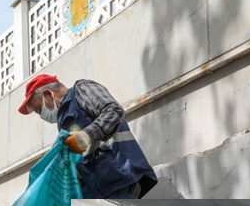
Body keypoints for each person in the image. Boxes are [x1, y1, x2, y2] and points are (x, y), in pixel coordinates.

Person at [18, 74, 157, 199]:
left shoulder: (81, 90)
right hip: (101, 189)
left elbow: (114, 111)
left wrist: (87, 135)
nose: (41, 116)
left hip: (120, 178)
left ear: (48, 95)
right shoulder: (63, 121)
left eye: (38, 109)